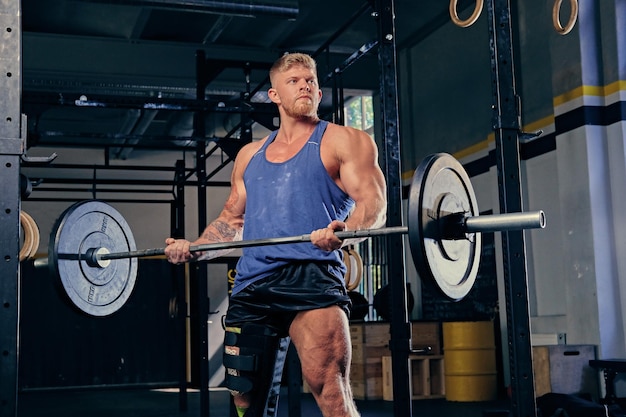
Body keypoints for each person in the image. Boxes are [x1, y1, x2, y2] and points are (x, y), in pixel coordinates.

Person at [164, 52, 387, 417]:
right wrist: (194, 249)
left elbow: (374, 206)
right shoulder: (250, 156)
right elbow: (232, 222)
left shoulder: (345, 141)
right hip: (253, 284)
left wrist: (346, 232)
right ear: (274, 96)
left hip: (311, 279)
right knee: (244, 399)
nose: (305, 86)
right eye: (294, 81)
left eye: (310, 81)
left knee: (330, 392)